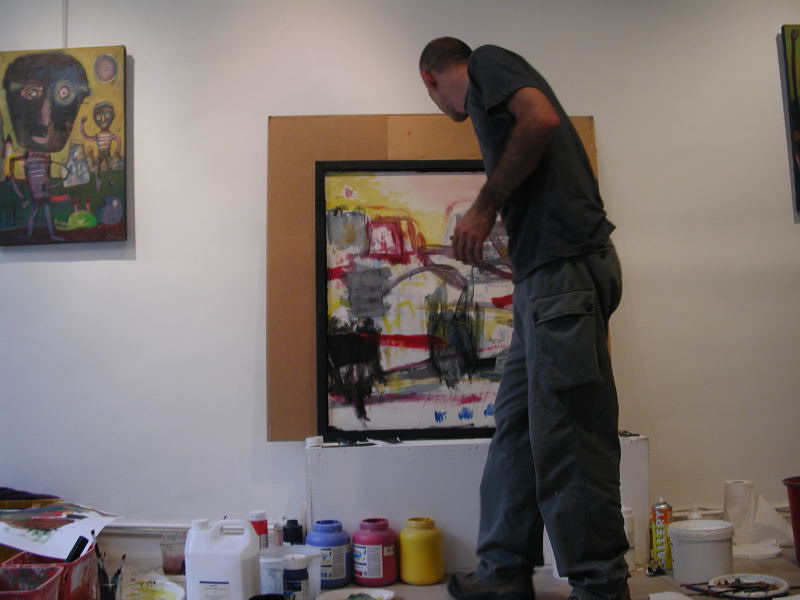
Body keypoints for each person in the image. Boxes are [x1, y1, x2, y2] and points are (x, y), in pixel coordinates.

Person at [419, 38, 629, 600]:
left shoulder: (486, 62)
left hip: (564, 274)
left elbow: (540, 119)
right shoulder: (487, 98)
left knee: (571, 438)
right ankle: (504, 573)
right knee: (516, 426)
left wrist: (484, 208)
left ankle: (601, 586)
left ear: (430, 79)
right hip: (545, 281)